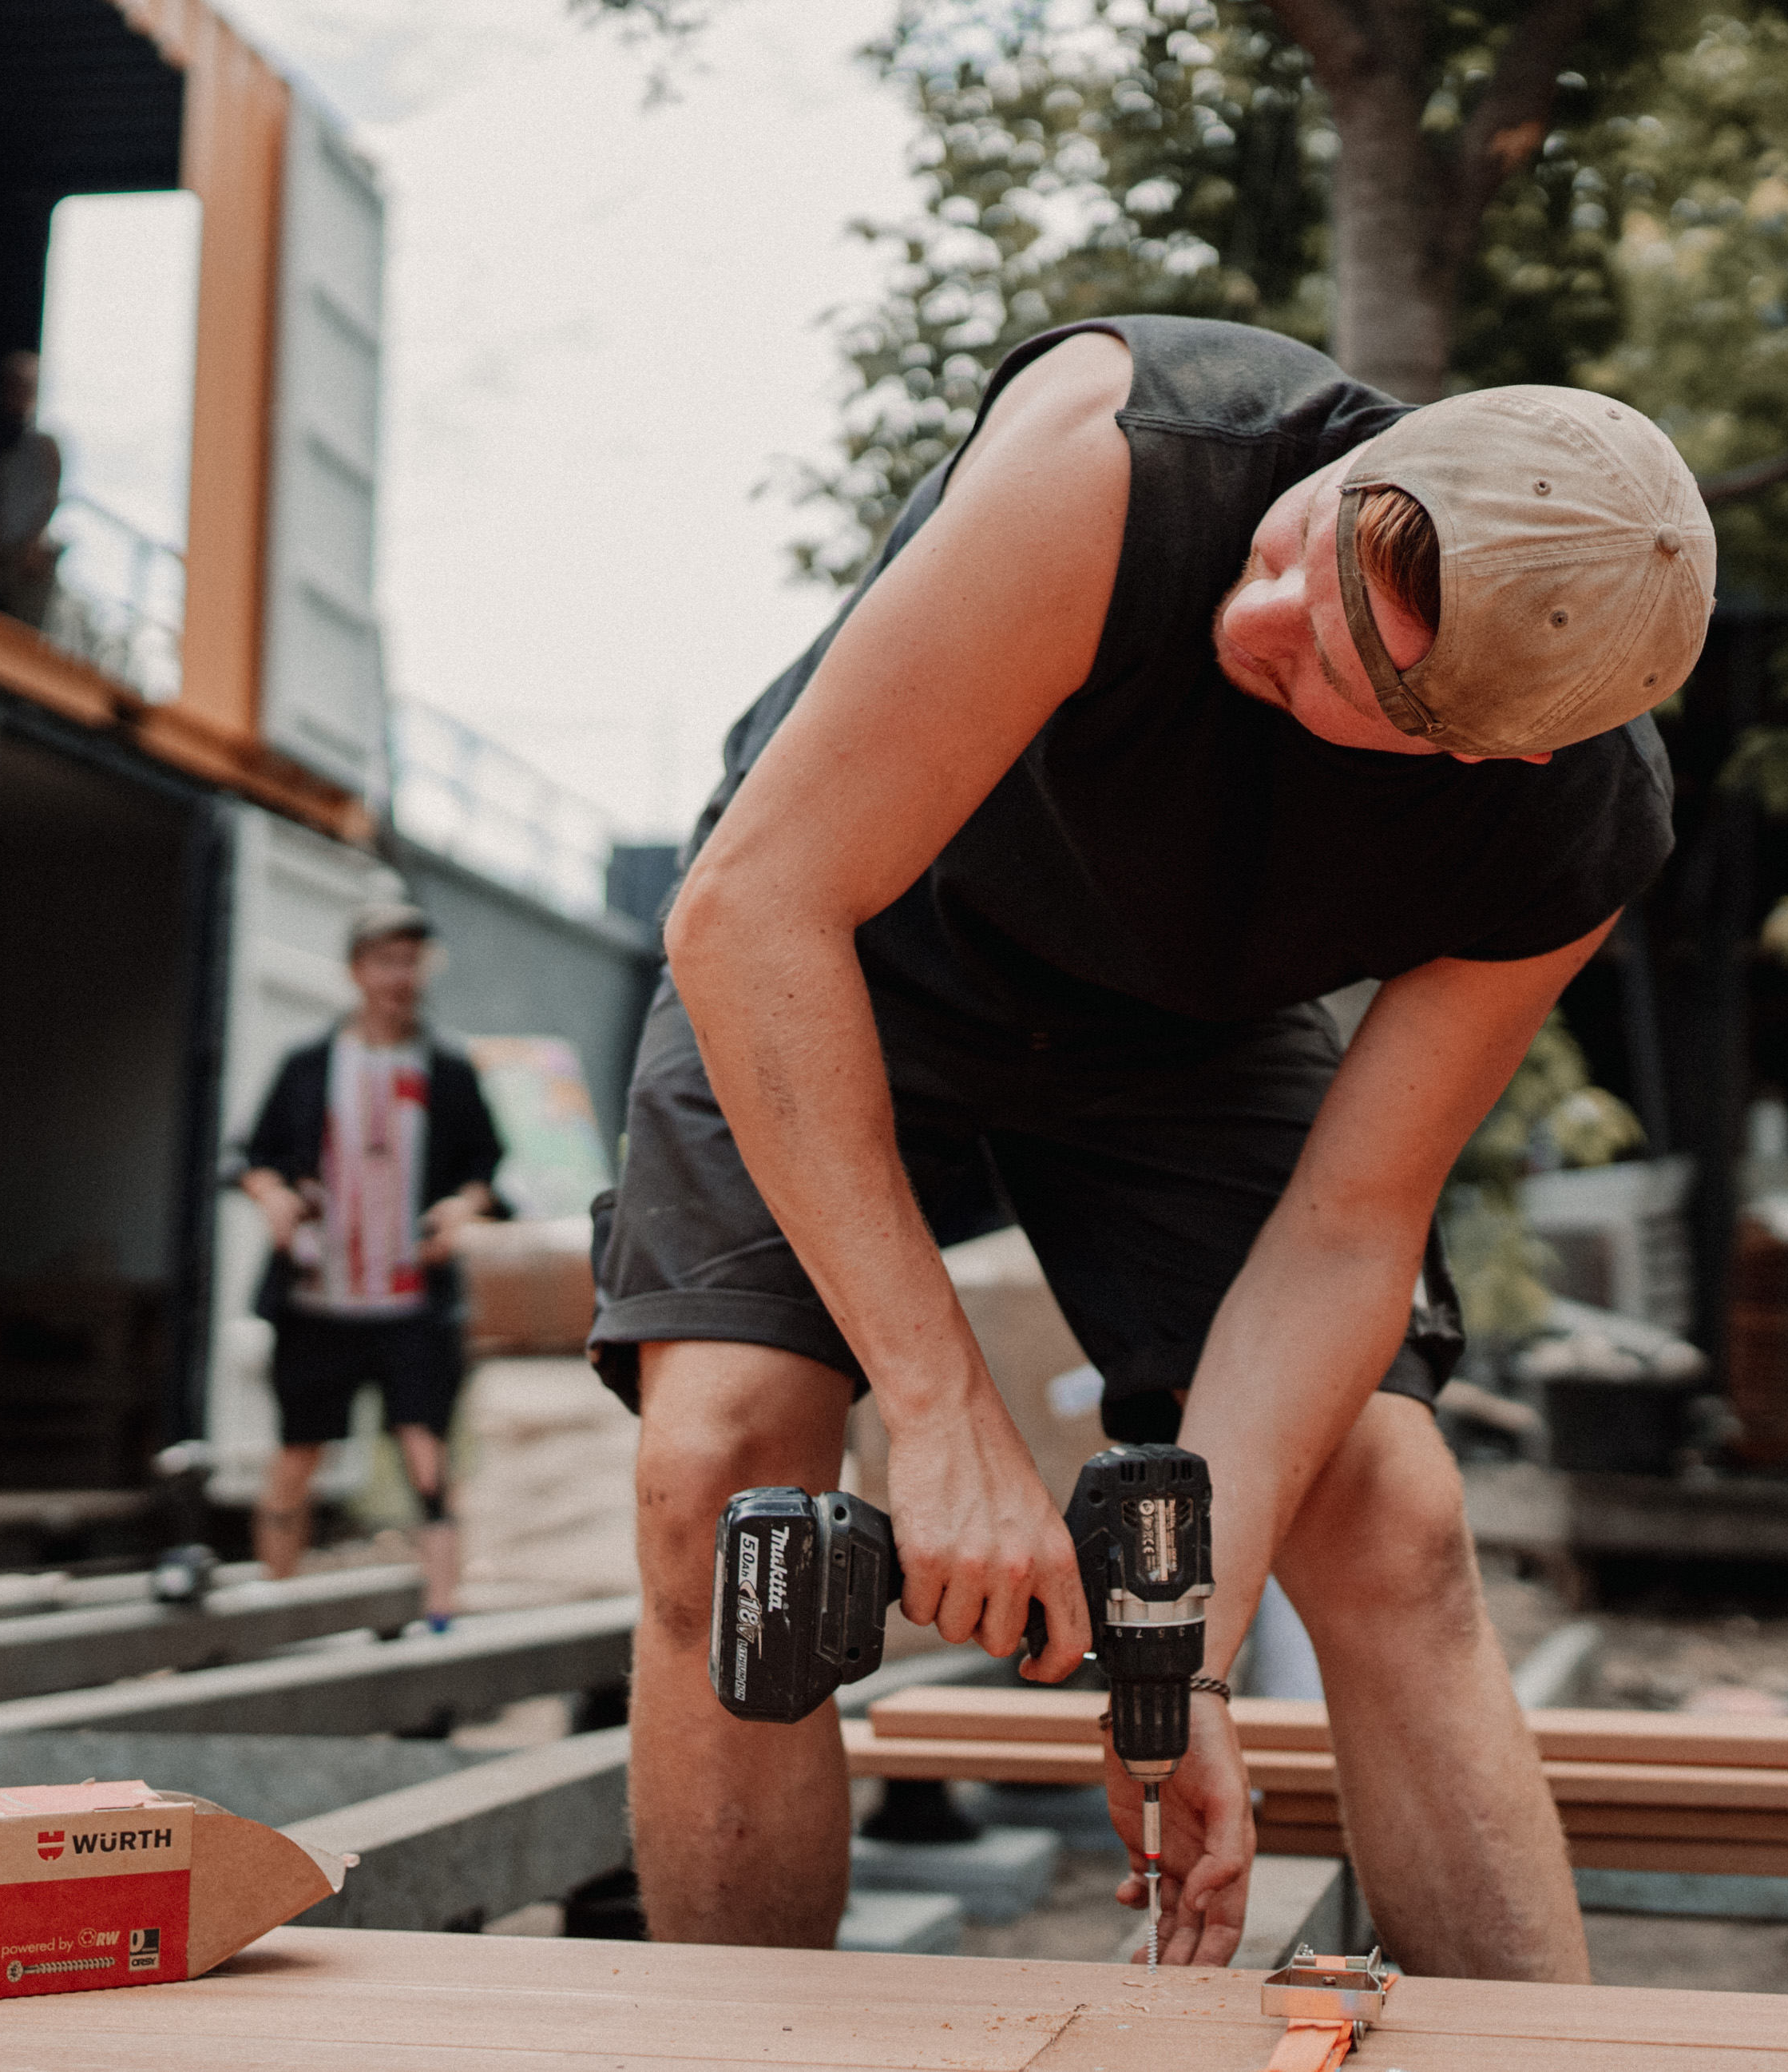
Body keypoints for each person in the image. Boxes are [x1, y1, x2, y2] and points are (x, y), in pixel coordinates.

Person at [592, 316, 1710, 1977]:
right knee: (726, 1464)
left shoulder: (1566, 824)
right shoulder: (1125, 457)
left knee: (1389, 1512)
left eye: (1346, 667)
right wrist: (942, 1414)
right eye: (1295, 552)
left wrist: (1174, 1650)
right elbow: (755, 909)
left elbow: (1352, 1223)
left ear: (1491, 751)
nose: (1254, 620)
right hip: (845, 935)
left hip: (1182, 1027)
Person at [239, 903, 505, 1626]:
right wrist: (273, 1198)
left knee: (426, 1453)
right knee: (297, 1454)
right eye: (387, 960)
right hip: (318, 1296)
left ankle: (441, 1614)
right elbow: (251, 1157)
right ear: (357, 969)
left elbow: (486, 1169)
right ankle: (274, 1609)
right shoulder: (308, 1064)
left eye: (412, 961)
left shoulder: (446, 1068)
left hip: (411, 1302)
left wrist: (460, 1209)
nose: (401, 977)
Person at [0, 350, 63, 626]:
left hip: (28, 559)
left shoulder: (46, 446)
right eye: (12, 383)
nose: (17, 391)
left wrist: (32, 544)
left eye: (26, 384)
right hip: (0, 554)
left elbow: (50, 499)